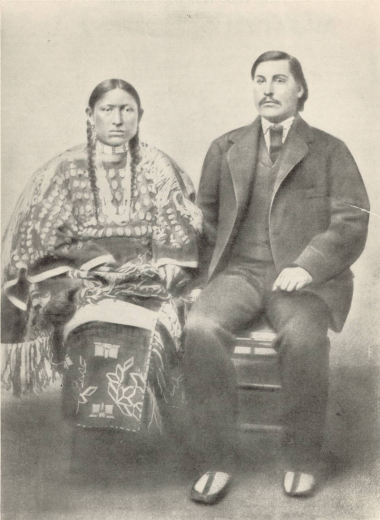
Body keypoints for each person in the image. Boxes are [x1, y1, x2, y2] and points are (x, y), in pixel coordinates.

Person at [184, 51, 370, 503]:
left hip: (301, 281)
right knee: (200, 328)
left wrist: (307, 265)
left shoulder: (330, 149)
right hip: (238, 273)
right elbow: (205, 221)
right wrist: (196, 278)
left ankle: (302, 458)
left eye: (280, 80)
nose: (267, 89)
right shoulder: (224, 147)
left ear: (300, 89)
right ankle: (216, 458)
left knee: (305, 339)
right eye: (260, 80)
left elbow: (352, 220)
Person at [2, 79, 201, 438]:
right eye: (107, 110)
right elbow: (42, 233)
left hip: (146, 275)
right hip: (85, 277)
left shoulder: (158, 166)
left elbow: (177, 223)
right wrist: (94, 263)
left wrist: (167, 263)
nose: (117, 119)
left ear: (140, 116)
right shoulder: (63, 169)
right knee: (89, 319)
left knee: (166, 319)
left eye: (127, 110)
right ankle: (98, 430)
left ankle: (163, 429)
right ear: (90, 115)